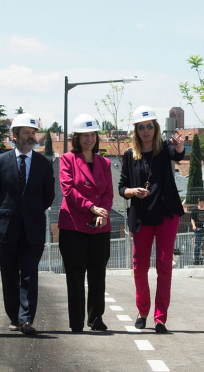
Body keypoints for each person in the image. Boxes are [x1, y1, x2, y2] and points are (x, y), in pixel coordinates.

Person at [0, 112, 55, 335]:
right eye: (26, 133)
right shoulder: (0, 161)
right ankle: (14, 316)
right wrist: (8, 211)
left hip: (33, 227)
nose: (31, 137)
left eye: (33, 133)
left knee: (29, 274)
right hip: (7, 228)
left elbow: (48, 195)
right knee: (9, 275)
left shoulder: (43, 164)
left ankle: (26, 319)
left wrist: (31, 211)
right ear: (14, 136)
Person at [118, 106, 186, 333]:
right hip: (141, 215)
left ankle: (160, 318)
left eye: (150, 126)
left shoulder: (165, 149)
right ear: (136, 130)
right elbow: (121, 187)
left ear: (155, 128)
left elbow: (178, 154)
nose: (146, 130)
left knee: (164, 266)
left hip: (166, 213)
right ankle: (142, 310)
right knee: (140, 267)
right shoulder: (129, 154)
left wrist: (179, 147)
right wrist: (132, 191)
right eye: (141, 127)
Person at [58, 114, 114, 332]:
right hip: (74, 225)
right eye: (85, 135)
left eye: (92, 134)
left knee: (98, 275)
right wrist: (92, 208)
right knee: (75, 276)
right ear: (77, 138)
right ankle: (76, 322)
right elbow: (68, 189)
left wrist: (104, 212)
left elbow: (108, 192)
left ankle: (96, 318)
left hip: (100, 226)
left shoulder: (105, 162)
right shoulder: (67, 160)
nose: (89, 139)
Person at [190, 198, 204, 265]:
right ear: (198, 203)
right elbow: (192, 219)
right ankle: (196, 259)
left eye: (202, 203)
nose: (201, 204)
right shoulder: (195, 210)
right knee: (197, 245)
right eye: (200, 203)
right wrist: (194, 226)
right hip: (198, 229)